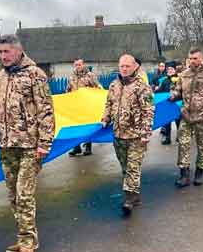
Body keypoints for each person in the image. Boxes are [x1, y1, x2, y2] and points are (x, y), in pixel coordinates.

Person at [0, 36, 55, 252]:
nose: (2, 56)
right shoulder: (0, 77)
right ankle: (25, 237)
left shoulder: (35, 75)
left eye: (6, 51)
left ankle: (27, 243)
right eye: (0, 52)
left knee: (24, 195)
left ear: (18, 51)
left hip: (29, 146)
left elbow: (46, 111)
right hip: (6, 146)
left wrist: (44, 144)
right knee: (14, 196)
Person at [101, 54, 154, 214]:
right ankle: (134, 194)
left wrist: (146, 133)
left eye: (127, 66)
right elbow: (109, 104)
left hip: (136, 135)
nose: (124, 69)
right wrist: (105, 118)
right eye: (122, 66)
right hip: (119, 134)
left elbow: (148, 111)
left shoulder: (142, 87)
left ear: (134, 67)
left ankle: (129, 199)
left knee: (133, 167)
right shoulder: (114, 85)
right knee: (125, 167)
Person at [169, 48, 203, 187]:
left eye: (195, 58)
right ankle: (184, 174)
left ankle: (199, 172)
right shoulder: (183, 75)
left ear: (201, 59)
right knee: (183, 144)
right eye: (190, 58)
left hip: (202, 117)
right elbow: (178, 91)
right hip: (186, 116)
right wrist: (173, 96)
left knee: (202, 146)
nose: (192, 61)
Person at [66, 58, 102, 156]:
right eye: (76, 65)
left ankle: (88, 147)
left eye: (79, 64)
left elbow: (98, 87)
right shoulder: (72, 77)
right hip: (76, 106)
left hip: (87, 106)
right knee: (75, 127)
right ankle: (76, 147)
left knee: (87, 126)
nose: (78, 66)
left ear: (83, 65)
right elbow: (68, 90)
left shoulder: (90, 75)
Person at [155, 63, 178, 144]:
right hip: (167, 104)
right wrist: (154, 91)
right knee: (167, 122)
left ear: (175, 70)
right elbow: (160, 90)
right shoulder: (165, 80)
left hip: (177, 104)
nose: (170, 71)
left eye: (171, 69)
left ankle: (179, 136)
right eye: (168, 69)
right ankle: (168, 138)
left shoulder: (179, 79)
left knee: (178, 121)